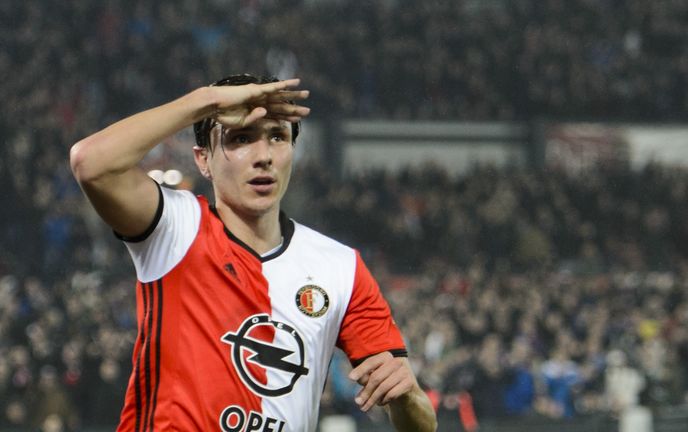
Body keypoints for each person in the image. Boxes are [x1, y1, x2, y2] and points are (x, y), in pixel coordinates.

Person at [69, 74, 437, 432]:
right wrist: (205, 101)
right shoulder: (174, 226)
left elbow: (420, 425)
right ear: (203, 160)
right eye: (241, 138)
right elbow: (90, 163)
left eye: (278, 137)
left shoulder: (340, 267)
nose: (263, 156)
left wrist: (405, 397)